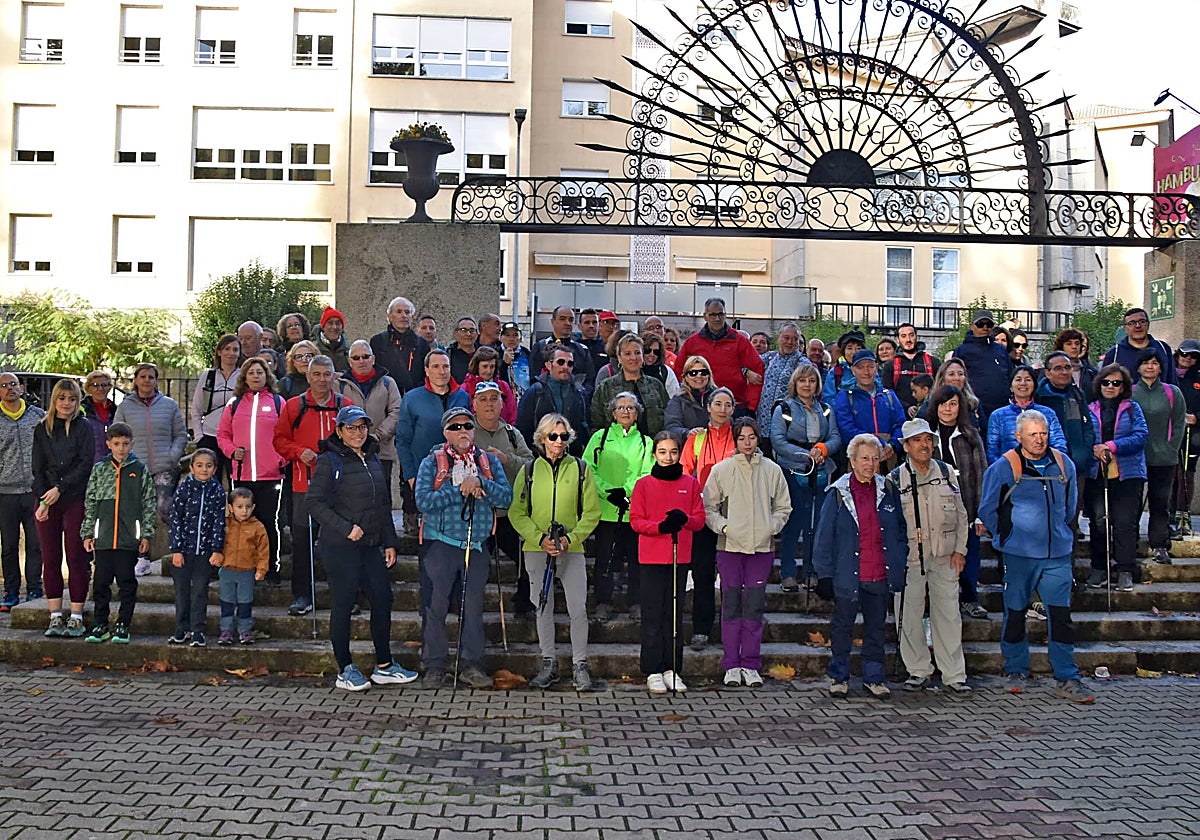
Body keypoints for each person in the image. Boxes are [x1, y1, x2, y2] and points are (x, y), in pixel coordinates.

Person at [979, 410, 1093, 703]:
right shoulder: (1004, 467)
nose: (1039, 440)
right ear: (1018, 436)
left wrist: (1059, 532)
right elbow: (987, 510)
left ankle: (1067, 676)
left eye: (1043, 433)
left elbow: (1070, 508)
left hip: (1057, 554)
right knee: (1015, 612)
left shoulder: (1063, 463)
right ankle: (1015, 669)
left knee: (1061, 617)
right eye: (1032, 434)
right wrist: (1007, 538)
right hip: (1019, 555)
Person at [306, 405, 417, 691]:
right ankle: (345, 668)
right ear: (340, 431)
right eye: (351, 428)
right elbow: (313, 503)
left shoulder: (373, 457)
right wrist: (346, 528)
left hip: (370, 546)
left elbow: (382, 505)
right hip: (339, 547)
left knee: (383, 598)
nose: (358, 433)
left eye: (362, 427)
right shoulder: (329, 461)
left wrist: (389, 541)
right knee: (343, 605)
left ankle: (384, 665)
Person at [415, 407, 513, 689]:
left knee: (472, 607)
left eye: (467, 426)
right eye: (455, 427)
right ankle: (434, 665)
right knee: (435, 607)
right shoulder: (431, 462)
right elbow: (423, 501)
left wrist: (480, 482)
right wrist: (458, 488)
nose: (462, 432)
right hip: (440, 544)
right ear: (446, 432)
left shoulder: (488, 462)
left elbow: (505, 498)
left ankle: (472, 664)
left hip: (477, 544)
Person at [509, 413, 601, 691]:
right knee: (542, 608)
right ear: (541, 439)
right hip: (537, 550)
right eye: (552, 436)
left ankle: (580, 665)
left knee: (578, 609)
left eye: (563, 436)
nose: (558, 441)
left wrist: (570, 539)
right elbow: (517, 512)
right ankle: (549, 662)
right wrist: (539, 539)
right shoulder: (529, 471)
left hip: (571, 549)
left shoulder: (582, 469)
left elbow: (592, 512)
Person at [813, 433, 907, 698]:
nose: (870, 463)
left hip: (879, 573)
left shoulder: (888, 490)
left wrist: (899, 560)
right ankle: (839, 676)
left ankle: (874, 677)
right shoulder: (838, 493)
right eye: (864, 458)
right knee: (842, 627)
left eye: (875, 459)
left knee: (876, 628)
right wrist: (824, 573)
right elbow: (824, 536)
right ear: (852, 461)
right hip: (847, 574)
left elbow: (900, 531)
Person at [703, 418, 790, 688]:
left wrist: (770, 527)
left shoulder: (772, 470)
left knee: (753, 607)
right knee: (731, 607)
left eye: (752, 437)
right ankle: (731, 664)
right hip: (729, 548)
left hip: (761, 548)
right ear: (735, 440)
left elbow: (783, 507)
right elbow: (709, 508)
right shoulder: (722, 470)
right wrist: (725, 527)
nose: (747, 443)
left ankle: (751, 663)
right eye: (742, 438)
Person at [888, 419, 971, 696]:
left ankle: (954, 675)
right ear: (906, 446)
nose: (924, 445)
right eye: (917, 440)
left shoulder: (947, 472)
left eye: (928, 439)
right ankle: (918, 670)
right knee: (908, 615)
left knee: (948, 615)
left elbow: (961, 514)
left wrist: (961, 550)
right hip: (910, 558)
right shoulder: (894, 479)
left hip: (945, 555)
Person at [274, 355, 351, 612]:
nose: (321, 379)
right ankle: (302, 596)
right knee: (302, 541)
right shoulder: (294, 406)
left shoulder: (344, 405)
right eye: (316, 374)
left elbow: (359, 438)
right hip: (303, 485)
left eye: (326, 374)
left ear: (333, 376)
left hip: (338, 487)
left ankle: (344, 595)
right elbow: (279, 440)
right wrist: (298, 452)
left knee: (341, 541)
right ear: (308, 376)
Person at [630, 431, 704, 694]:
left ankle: (673, 667)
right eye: (663, 452)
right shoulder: (643, 484)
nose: (668, 457)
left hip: (678, 557)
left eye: (673, 452)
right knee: (652, 614)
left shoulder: (690, 483)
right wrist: (660, 527)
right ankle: (652, 668)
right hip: (651, 556)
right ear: (654, 454)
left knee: (674, 614)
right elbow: (636, 520)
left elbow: (699, 519)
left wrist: (683, 518)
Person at [584, 391, 656, 623]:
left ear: (637, 414)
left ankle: (636, 602)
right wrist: (608, 491)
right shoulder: (600, 438)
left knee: (637, 560)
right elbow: (587, 468)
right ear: (612, 412)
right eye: (621, 407)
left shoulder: (646, 442)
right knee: (604, 558)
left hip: (635, 512)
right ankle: (603, 602)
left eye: (631, 408)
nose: (626, 411)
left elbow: (647, 473)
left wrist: (624, 491)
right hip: (605, 510)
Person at [82, 422, 155, 644]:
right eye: (116, 444)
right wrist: (87, 532)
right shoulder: (99, 469)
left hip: (127, 539)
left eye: (125, 444)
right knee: (101, 582)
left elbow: (148, 502)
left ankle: (123, 623)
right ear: (108, 445)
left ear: (131, 444)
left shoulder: (139, 470)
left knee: (126, 581)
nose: (121, 448)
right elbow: (91, 501)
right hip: (103, 538)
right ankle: (100, 624)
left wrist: (146, 534)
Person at [770, 364, 842, 591]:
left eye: (811, 381)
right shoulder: (784, 408)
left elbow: (835, 437)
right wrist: (804, 456)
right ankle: (788, 572)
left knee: (817, 524)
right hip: (792, 470)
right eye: (802, 380)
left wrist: (822, 450)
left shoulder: (826, 409)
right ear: (795, 383)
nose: (807, 385)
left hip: (821, 471)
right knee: (793, 522)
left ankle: (812, 571)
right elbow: (777, 440)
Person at [112, 362, 187, 576]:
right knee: (138, 513)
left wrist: (173, 456)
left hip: (164, 466)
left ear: (156, 380)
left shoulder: (169, 405)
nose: (146, 380)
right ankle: (142, 557)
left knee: (165, 507)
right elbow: (117, 434)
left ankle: (178, 552)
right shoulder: (125, 406)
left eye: (151, 377)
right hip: (135, 467)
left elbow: (181, 434)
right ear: (135, 380)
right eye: (142, 376)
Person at [923, 385, 989, 620]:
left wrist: (981, 513)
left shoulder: (970, 435)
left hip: (967, 508)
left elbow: (982, 473)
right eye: (943, 404)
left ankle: (970, 599)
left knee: (969, 557)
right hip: (934, 511)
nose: (947, 409)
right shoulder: (926, 435)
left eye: (953, 404)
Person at [33, 379, 92, 637]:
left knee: (76, 556)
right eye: (62, 398)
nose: (67, 404)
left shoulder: (83, 427)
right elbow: (37, 468)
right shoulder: (41, 429)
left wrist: (60, 489)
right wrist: (45, 499)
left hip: (73, 497)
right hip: (47, 499)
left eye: (72, 399)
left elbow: (85, 464)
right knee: (51, 556)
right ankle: (55, 615)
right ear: (54, 400)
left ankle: (76, 615)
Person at [471, 380, 536, 616]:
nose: (489, 404)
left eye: (494, 399)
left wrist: (506, 459)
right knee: (473, 564)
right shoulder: (465, 430)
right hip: (477, 513)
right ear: (474, 404)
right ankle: (468, 606)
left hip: (508, 512)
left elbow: (531, 465)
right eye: (484, 399)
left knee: (526, 557)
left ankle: (524, 603)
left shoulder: (511, 433)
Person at [681, 387, 737, 650]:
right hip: (703, 513)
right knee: (703, 572)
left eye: (728, 405)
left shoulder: (739, 437)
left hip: (732, 514)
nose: (722, 409)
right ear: (709, 407)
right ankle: (701, 628)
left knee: (730, 574)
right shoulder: (697, 438)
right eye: (718, 404)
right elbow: (684, 472)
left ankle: (730, 628)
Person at [1083, 364, 1148, 593]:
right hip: (1097, 473)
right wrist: (1094, 449)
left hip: (1127, 474)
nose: (1110, 387)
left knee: (1124, 523)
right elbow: (1085, 436)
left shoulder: (1132, 409)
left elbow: (1141, 436)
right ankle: (1099, 568)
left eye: (1116, 383)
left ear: (1124, 386)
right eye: (1106, 382)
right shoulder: (1089, 409)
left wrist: (1111, 446)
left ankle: (1125, 570)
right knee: (1098, 521)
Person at [218, 357, 284, 580]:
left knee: (268, 522)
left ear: (267, 376)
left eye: (260, 372)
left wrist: (280, 460)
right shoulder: (234, 404)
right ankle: (244, 566)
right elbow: (223, 434)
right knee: (241, 523)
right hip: (242, 474)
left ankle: (271, 567)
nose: (256, 376)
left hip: (271, 475)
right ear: (244, 377)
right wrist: (231, 450)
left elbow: (285, 435)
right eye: (252, 372)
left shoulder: (277, 402)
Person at [396, 349, 470, 519]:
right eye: (436, 367)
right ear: (427, 370)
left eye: (445, 366)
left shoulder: (462, 397)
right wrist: (411, 476)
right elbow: (402, 440)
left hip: (457, 473)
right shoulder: (412, 399)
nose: (441, 371)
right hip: (425, 474)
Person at [1131, 349, 1185, 566]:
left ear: (1161, 367)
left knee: (1160, 503)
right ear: (1138, 367)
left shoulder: (1172, 393)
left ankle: (1160, 544)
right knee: (1132, 503)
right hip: (1135, 457)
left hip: (1164, 457)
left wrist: (1172, 448)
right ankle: (1129, 543)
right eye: (1145, 363)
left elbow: (1179, 423)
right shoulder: (1131, 392)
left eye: (1154, 363)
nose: (1150, 367)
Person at [167, 448, 226, 647]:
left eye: (208, 466)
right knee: (182, 591)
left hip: (205, 552)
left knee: (200, 590)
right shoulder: (184, 488)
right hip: (183, 551)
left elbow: (219, 522)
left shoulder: (217, 491)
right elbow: (175, 519)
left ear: (215, 468)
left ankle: (198, 630)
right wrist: (176, 549)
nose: (204, 470)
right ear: (191, 467)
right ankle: (181, 628)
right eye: (199, 465)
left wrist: (217, 549)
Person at [336, 340, 403, 499]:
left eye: (365, 356)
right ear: (350, 361)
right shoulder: (339, 385)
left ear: (373, 359)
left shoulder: (388, 383)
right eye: (356, 357)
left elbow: (396, 411)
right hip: (349, 451)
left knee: (381, 496)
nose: (361, 361)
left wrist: (377, 436)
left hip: (381, 450)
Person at [1037, 350, 1097, 528]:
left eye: (1067, 367)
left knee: (1071, 517)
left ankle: (1070, 556)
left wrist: (1084, 453)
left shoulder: (1077, 395)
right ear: (1047, 372)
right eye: (1058, 368)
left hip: (1077, 465)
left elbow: (1088, 426)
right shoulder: (1040, 397)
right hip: (1048, 466)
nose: (1063, 372)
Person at [0, 372, 45, 610]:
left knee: (35, 543)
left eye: (13, 384)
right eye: (4, 385)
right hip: (5, 493)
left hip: (33, 491)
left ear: (21, 387)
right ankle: (11, 591)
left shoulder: (38, 416)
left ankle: (35, 588)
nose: (10, 389)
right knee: (8, 545)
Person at [672, 297, 763, 414]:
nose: (717, 318)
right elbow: (679, 372)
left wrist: (751, 407)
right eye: (713, 314)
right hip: (701, 406)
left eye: (721, 314)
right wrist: (689, 397)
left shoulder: (740, 341)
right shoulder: (692, 343)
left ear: (725, 315)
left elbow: (758, 371)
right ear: (705, 316)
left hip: (735, 406)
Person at [212, 486, 269, 645]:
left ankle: (245, 630)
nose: (244, 511)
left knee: (245, 602)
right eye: (239, 507)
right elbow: (217, 543)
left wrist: (261, 569)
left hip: (247, 571)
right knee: (227, 601)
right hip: (227, 570)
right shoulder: (224, 525)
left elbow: (263, 550)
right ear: (230, 507)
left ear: (253, 507)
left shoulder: (258, 527)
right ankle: (226, 630)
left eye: (248, 507)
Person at [833, 349, 906, 470]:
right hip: (859, 457)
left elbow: (901, 424)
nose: (866, 372)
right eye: (860, 367)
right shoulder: (845, 396)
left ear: (876, 368)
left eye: (870, 366)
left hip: (889, 457)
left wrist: (893, 445)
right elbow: (846, 428)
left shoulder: (889, 395)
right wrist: (876, 443)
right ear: (853, 370)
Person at [516, 345, 590, 457]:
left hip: (572, 459)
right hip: (539, 457)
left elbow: (585, 427)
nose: (566, 367)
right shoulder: (535, 392)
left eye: (570, 364)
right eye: (561, 362)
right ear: (548, 365)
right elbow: (523, 428)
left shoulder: (580, 393)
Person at [591, 333, 669, 437]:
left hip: (652, 447)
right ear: (619, 357)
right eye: (627, 353)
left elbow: (668, 417)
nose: (633, 357)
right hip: (615, 449)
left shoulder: (656, 385)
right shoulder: (605, 387)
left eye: (637, 353)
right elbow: (596, 423)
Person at [985, 366, 1068, 464]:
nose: (1023, 383)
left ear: (1034, 386)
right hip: (1009, 472)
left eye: (1028, 379)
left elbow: (1059, 445)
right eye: (1018, 379)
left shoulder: (1048, 413)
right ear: (1011, 387)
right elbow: (992, 451)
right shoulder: (997, 416)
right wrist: (1005, 469)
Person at [951, 309, 1014, 435]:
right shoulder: (962, 351)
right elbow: (954, 380)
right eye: (980, 324)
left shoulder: (1000, 350)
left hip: (1000, 408)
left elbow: (1011, 375)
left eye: (989, 324)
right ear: (972, 325)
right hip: (973, 409)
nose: (985, 327)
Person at [191, 334, 240, 481]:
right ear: (219, 352)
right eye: (227, 349)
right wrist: (199, 437)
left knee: (235, 480)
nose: (231, 353)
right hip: (210, 435)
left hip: (235, 437)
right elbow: (196, 408)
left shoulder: (243, 376)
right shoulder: (208, 376)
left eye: (235, 349)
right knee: (210, 481)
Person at [370, 296, 431, 395]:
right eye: (399, 312)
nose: (404, 315)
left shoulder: (422, 344)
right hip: (387, 396)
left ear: (412, 317)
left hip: (415, 396)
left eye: (407, 312)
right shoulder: (378, 341)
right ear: (390, 316)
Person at [1102, 307, 1177, 386]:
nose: (1138, 326)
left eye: (1142, 321)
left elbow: (1172, 381)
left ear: (1148, 324)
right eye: (1132, 323)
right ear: (1125, 328)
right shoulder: (1114, 353)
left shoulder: (1163, 348)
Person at [529, 306, 593, 391]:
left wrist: (581, 396)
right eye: (562, 319)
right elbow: (534, 378)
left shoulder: (582, 350)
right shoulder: (540, 347)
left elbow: (589, 381)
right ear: (553, 322)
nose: (567, 323)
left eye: (571, 320)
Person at [756, 323, 807, 431]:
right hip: (763, 422)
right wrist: (748, 372)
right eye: (786, 337)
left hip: (787, 423)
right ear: (779, 338)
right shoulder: (770, 357)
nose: (790, 342)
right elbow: (745, 362)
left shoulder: (803, 363)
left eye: (794, 339)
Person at [1174, 339, 1200, 536]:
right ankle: (1170, 510)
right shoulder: (1169, 375)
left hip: (1193, 432)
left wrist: (1196, 417)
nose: (1188, 359)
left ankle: (1184, 511)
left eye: (1193, 356)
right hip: (1170, 431)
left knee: (1187, 472)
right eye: (1185, 354)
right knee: (1171, 472)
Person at [884, 323, 940, 413]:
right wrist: (906, 407)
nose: (908, 340)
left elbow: (939, 390)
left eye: (911, 335)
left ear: (916, 337)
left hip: (929, 415)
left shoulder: (933, 362)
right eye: (903, 336)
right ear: (897, 339)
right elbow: (887, 394)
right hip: (901, 416)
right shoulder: (890, 366)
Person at [460, 346, 518, 425]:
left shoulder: (503, 386)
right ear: (477, 366)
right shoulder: (466, 388)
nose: (488, 371)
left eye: (492, 366)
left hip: (501, 432)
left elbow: (513, 413)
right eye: (485, 366)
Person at [665, 355, 715, 438]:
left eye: (703, 372)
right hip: (689, 446)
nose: (699, 376)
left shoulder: (719, 396)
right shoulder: (678, 400)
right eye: (693, 373)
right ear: (685, 377)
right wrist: (687, 433)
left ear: (709, 375)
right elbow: (671, 427)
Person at [926, 357, 981, 427]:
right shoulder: (929, 405)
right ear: (942, 379)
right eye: (951, 374)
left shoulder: (973, 404)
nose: (957, 378)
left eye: (960, 374)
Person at [81, 370, 118, 464]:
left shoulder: (116, 411)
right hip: (88, 465)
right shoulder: (81, 410)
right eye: (95, 385)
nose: (100, 389)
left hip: (112, 465)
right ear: (88, 388)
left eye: (104, 385)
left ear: (110, 387)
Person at [822, 330, 867, 400]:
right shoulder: (835, 373)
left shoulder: (871, 371)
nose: (854, 352)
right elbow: (828, 399)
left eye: (858, 348)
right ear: (843, 351)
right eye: (849, 348)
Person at [1054, 327, 1097, 396]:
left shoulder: (1091, 373)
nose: (1074, 347)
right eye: (1069, 344)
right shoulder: (1053, 371)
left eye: (1077, 343)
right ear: (1061, 346)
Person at [640, 332, 681, 398]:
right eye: (647, 350)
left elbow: (675, 397)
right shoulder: (633, 370)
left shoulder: (666, 371)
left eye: (656, 352)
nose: (652, 354)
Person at [313, 305, 350, 372]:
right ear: (323, 326)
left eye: (338, 323)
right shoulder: (312, 349)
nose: (334, 327)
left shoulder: (349, 350)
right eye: (330, 323)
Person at [499, 321, 531, 397]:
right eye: (507, 335)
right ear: (501, 338)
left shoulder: (527, 354)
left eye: (515, 335)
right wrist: (504, 363)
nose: (511, 339)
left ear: (520, 338)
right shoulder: (494, 353)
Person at [448, 316, 480, 385]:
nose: (468, 334)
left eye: (472, 330)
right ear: (455, 334)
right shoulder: (448, 355)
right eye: (463, 330)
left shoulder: (483, 353)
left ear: (477, 334)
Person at [577, 308, 609, 374]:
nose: (591, 326)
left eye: (594, 322)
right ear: (579, 326)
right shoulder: (574, 348)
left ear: (599, 325)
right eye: (587, 322)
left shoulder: (607, 349)